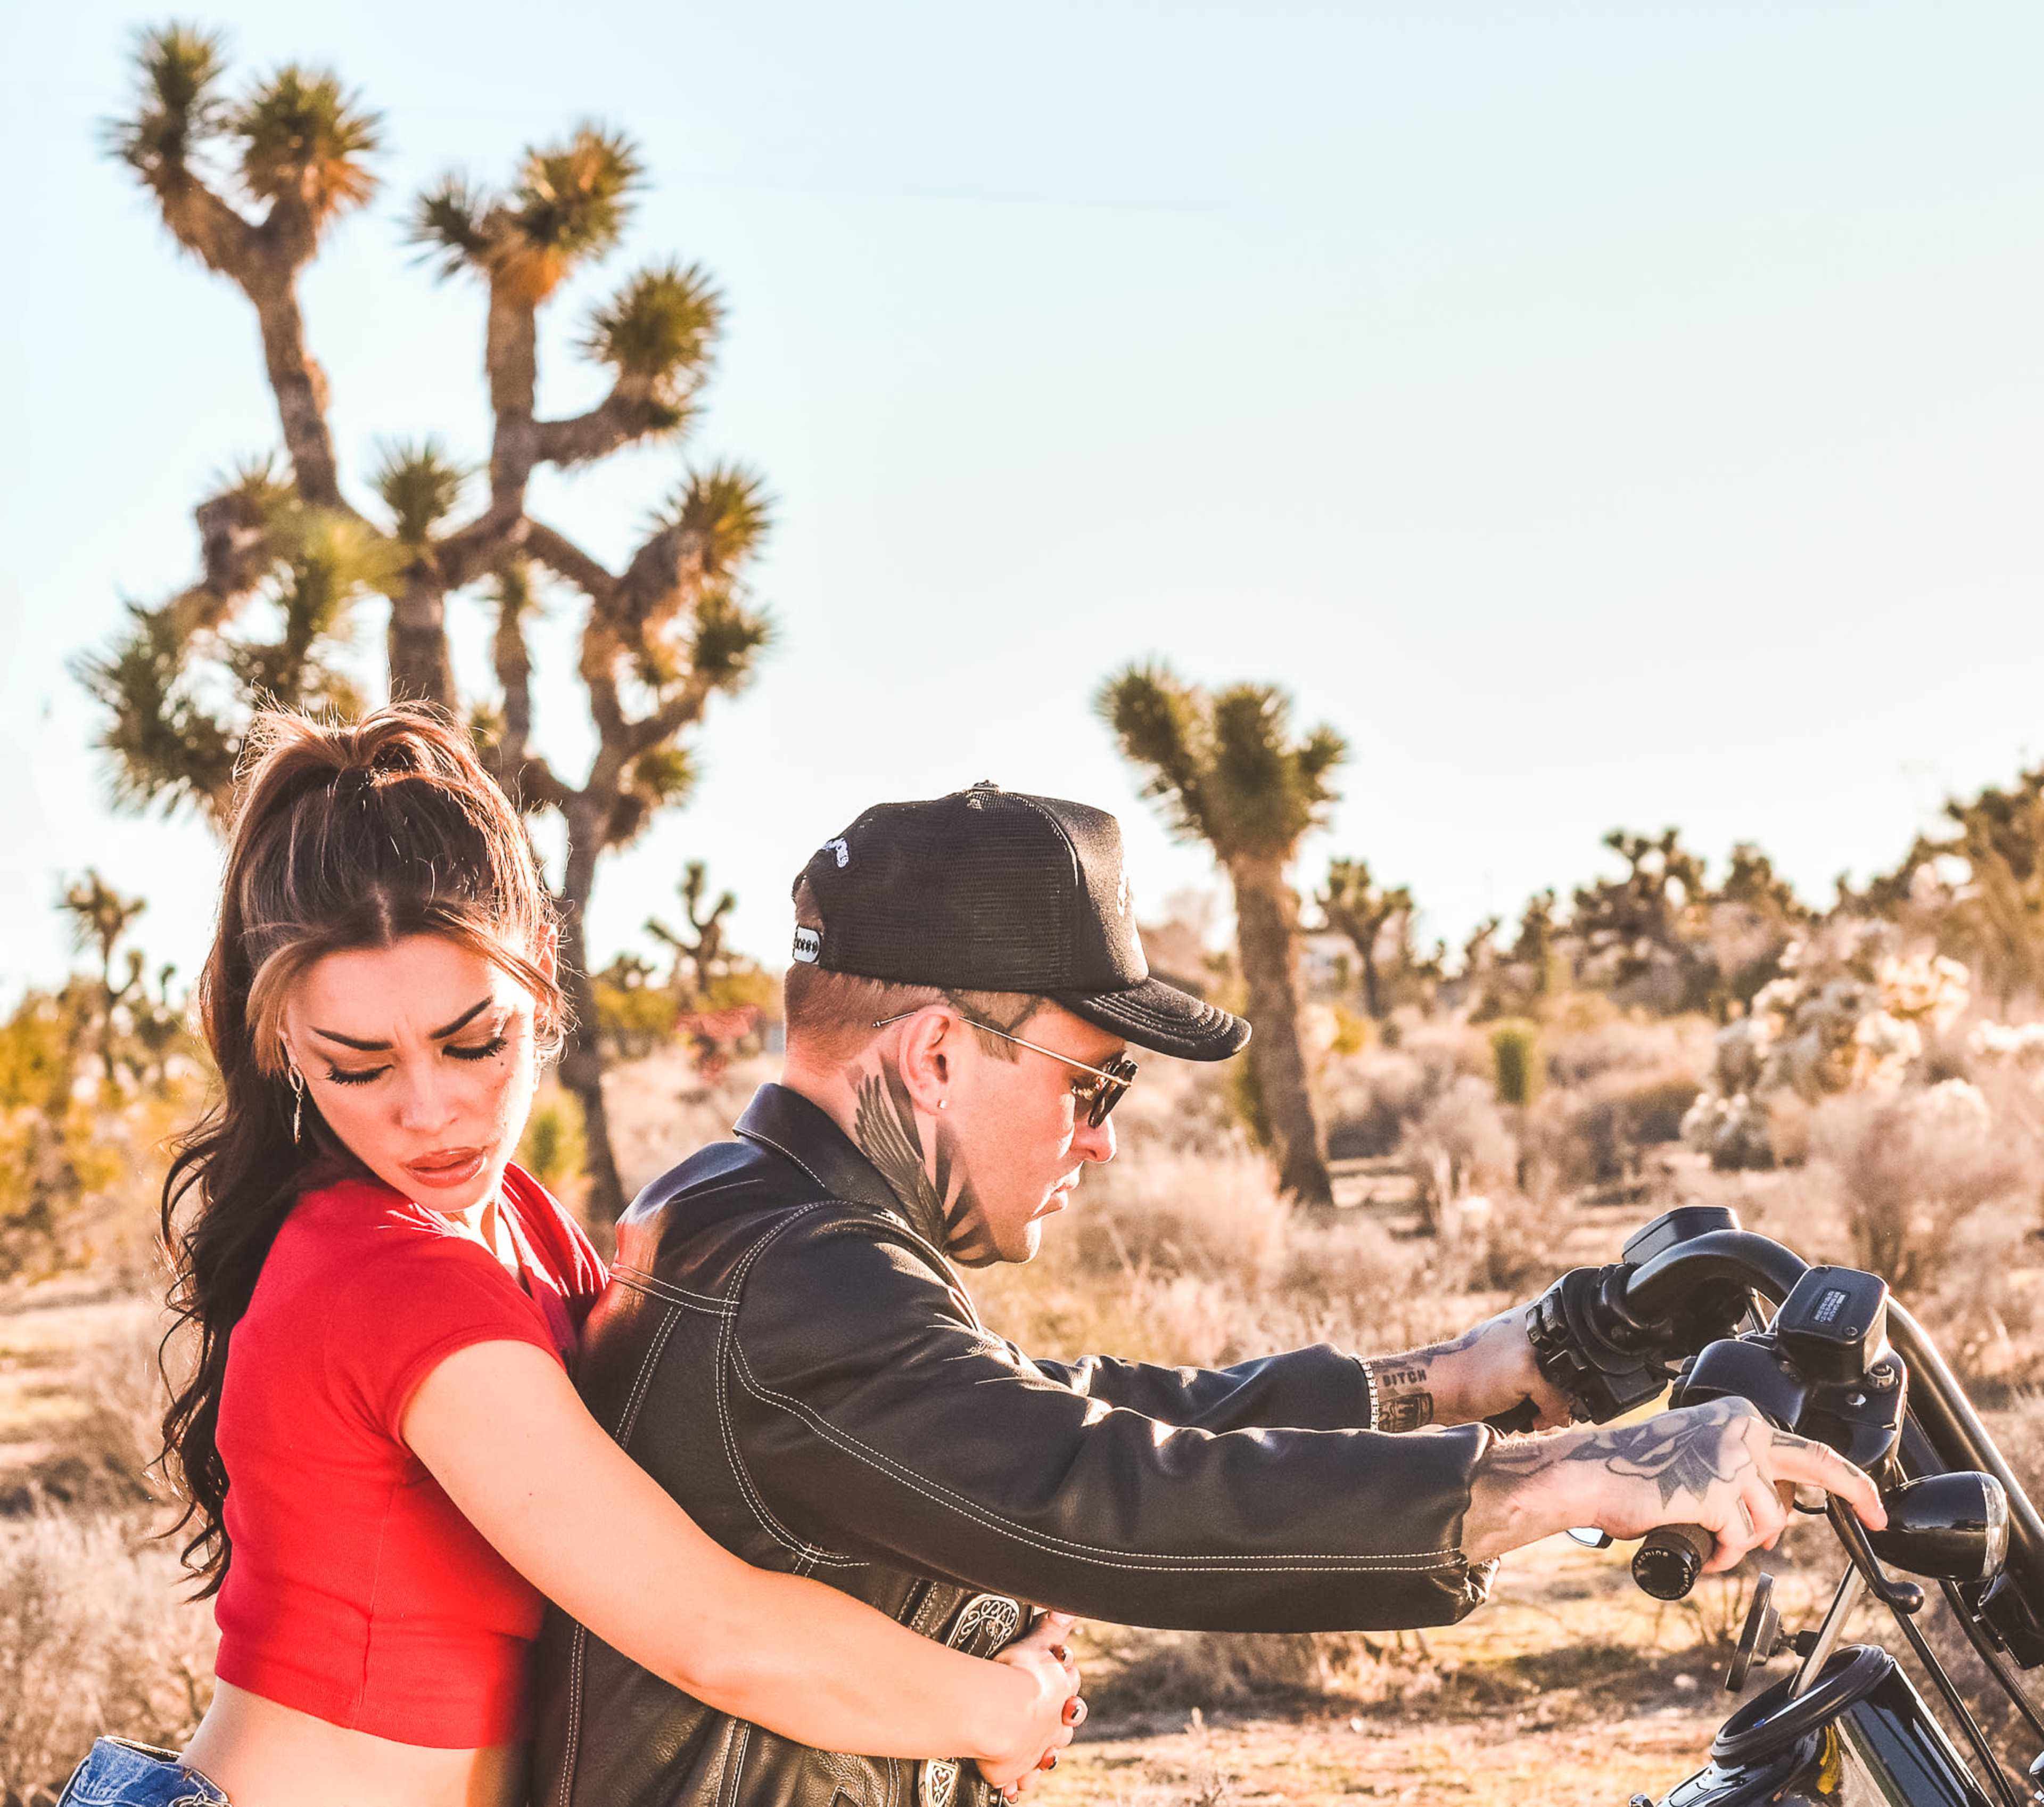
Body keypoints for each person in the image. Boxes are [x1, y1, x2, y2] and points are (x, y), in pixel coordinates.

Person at [534, 782, 1887, 1807]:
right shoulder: (799, 1277)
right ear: (939, 1052)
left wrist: (1469, 1378)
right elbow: (1106, 1490)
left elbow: (1055, 1407)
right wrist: (1574, 1476)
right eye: (1093, 1081)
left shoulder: (749, 1209)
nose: (1105, 1137)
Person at [56, 714, 1081, 1807]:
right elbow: (711, 1630)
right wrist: (997, 1706)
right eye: (358, 1065)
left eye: (472, 1041)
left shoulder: (525, 1227)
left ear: (541, 976)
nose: (430, 1108)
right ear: (284, 1047)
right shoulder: (385, 1272)